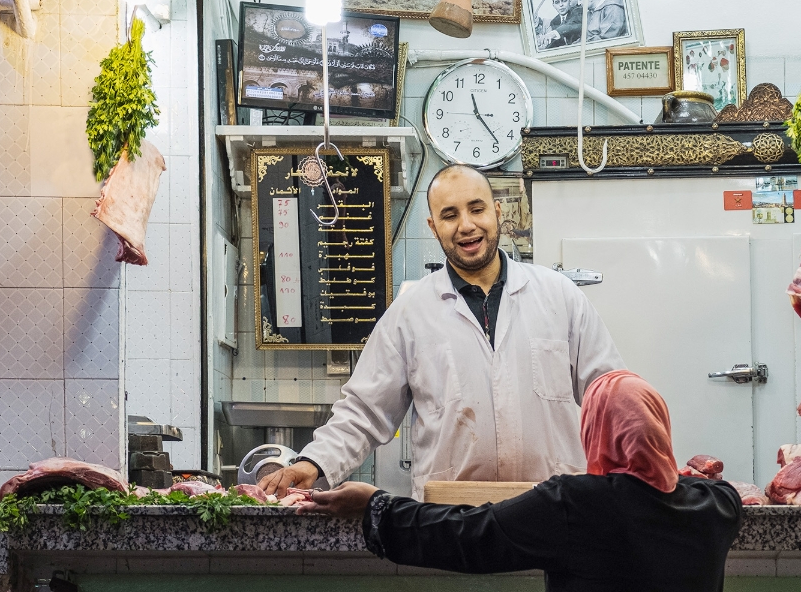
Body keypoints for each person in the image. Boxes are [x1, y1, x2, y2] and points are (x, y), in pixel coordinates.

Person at [259, 164, 625, 499]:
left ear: (497, 212)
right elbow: (365, 410)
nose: (466, 225)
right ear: (434, 226)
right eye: (450, 215)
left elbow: (612, 397)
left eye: (477, 209)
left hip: (552, 508)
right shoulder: (410, 313)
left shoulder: (559, 296)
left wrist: (638, 468)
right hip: (450, 518)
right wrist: (314, 462)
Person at [297, 370, 743, 591]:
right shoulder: (717, 505)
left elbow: (468, 536)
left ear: (596, 431)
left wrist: (375, 505)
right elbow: (694, 486)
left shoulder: (576, 504)